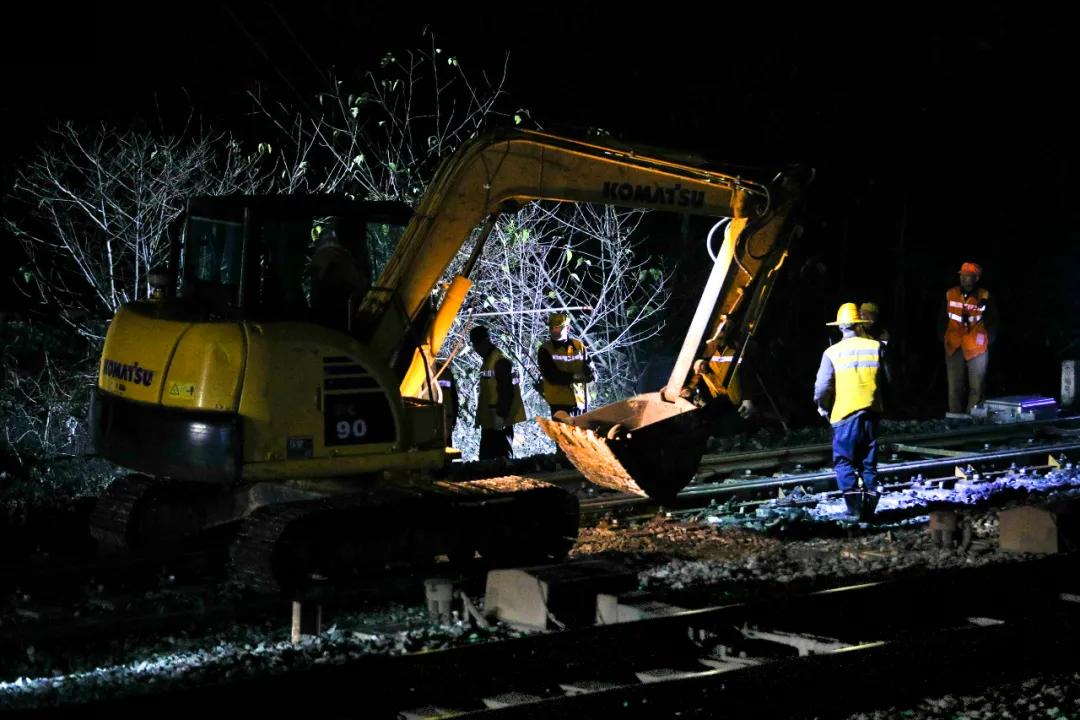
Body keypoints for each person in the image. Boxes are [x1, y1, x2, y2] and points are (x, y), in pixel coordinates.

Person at [814, 303, 887, 517]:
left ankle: (854, 509)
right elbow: (890, 379)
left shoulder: (831, 352)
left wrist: (822, 408)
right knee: (868, 461)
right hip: (872, 414)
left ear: (840, 327)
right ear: (859, 324)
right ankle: (870, 507)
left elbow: (821, 388)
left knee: (844, 460)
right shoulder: (875, 347)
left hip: (845, 415)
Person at [938, 262, 997, 415]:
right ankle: (955, 419)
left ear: (976, 278)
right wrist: (943, 337)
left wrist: (988, 340)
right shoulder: (950, 293)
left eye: (967, 276)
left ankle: (973, 419)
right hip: (954, 344)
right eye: (962, 276)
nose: (963, 279)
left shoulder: (985, 296)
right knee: (954, 387)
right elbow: (942, 318)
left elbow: (994, 321)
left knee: (976, 387)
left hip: (977, 348)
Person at [469, 325, 526, 460]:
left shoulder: (499, 361)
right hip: (490, 421)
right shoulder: (489, 361)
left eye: (476, 345)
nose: (475, 349)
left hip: (500, 421)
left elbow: (507, 391)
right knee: (488, 460)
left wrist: (501, 416)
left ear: (483, 342)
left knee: (502, 460)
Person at [537, 313, 594, 417]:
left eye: (558, 327)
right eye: (552, 327)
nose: (554, 330)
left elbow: (589, 366)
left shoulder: (578, 345)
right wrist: (574, 376)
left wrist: (590, 374)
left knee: (582, 432)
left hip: (580, 400)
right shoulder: (545, 349)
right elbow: (551, 375)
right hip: (560, 402)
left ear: (567, 328)